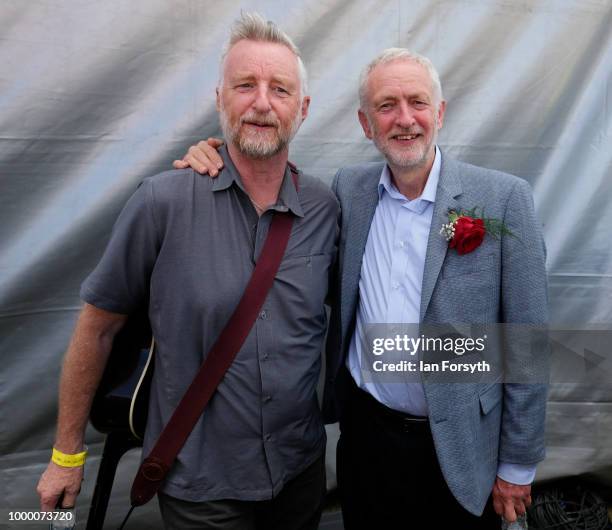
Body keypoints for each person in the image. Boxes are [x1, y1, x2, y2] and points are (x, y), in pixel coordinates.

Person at [176, 49, 548, 528]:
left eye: (417, 102)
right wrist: (215, 154)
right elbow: (266, 188)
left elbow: (526, 341)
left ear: (440, 113)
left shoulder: (503, 198)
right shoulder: (347, 191)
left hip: (459, 444)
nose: (404, 119)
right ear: (365, 123)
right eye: (386, 106)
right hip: (367, 439)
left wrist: (518, 464)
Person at [36, 13, 339, 530]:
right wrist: (67, 454)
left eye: (280, 89)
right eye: (245, 86)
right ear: (220, 99)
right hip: (202, 489)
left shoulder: (326, 208)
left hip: (300, 472)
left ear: (303, 109)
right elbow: (98, 327)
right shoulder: (163, 202)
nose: (262, 103)